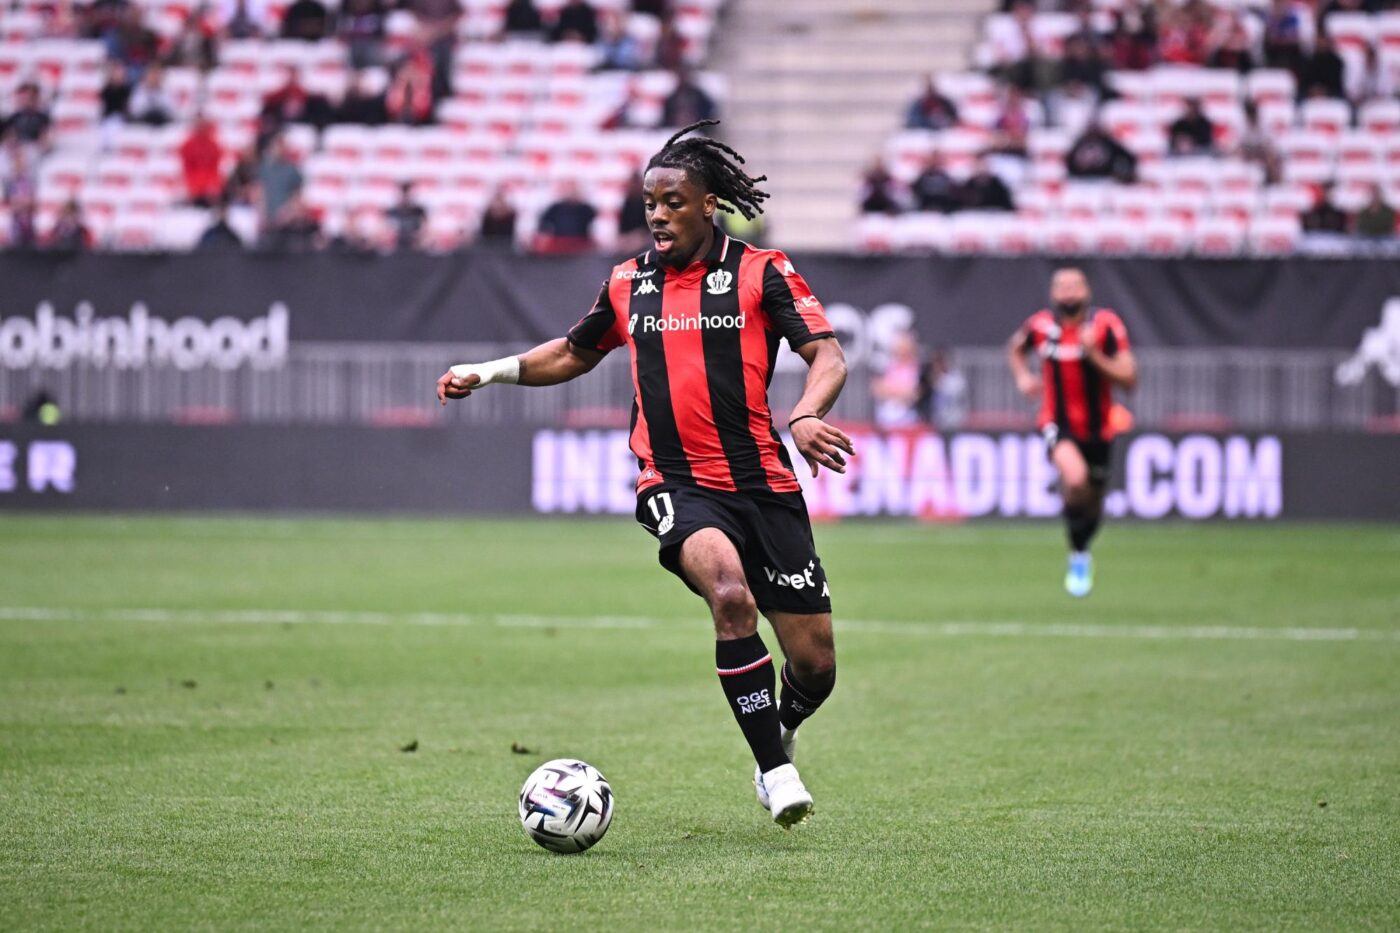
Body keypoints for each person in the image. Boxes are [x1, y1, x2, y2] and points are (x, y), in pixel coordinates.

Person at [437, 119, 850, 827]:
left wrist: (807, 413)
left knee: (816, 666)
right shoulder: (629, 282)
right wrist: (491, 371)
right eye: (649, 203)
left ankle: (778, 729)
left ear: (710, 204)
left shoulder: (762, 272)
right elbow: (575, 351)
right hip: (676, 482)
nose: (657, 215)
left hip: (764, 485)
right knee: (729, 595)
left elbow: (828, 355)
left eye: (672, 202)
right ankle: (776, 771)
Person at [1007, 268, 1137, 597]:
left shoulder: (1106, 325)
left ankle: (1080, 550)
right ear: (1053, 294)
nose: (1068, 292)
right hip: (1056, 421)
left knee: (1092, 499)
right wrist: (1023, 377)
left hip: (1099, 428)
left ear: (1087, 291)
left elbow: (1129, 379)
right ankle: (1077, 549)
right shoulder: (1040, 326)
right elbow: (1016, 348)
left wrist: (1093, 355)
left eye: (1074, 286)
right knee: (1076, 478)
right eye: (1061, 286)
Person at [872, 331, 922, 429]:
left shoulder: (918, 368)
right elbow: (877, 389)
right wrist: (900, 391)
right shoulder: (888, 365)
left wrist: (890, 390)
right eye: (899, 348)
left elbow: (913, 394)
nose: (901, 351)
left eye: (904, 348)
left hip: (909, 418)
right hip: (885, 417)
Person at [535, 180, 597, 250]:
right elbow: (544, 223)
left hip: (581, 243)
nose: (571, 193)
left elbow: (595, 225)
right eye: (569, 190)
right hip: (559, 242)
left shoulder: (586, 209)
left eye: (573, 190)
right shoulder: (556, 208)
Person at [1066, 122, 1136, 182]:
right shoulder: (1081, 142)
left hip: (1105, 180)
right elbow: (1070, 161)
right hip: (1081, 180)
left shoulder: (1108, 142)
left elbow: (1128, 157)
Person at [179, 116, 224, 206]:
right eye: (199, 127)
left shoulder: (213, 144)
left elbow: (216, 166)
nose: (201, 129)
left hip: (210, 178)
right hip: (193, 179)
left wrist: (212, 185)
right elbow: (187, 167)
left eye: (203, 127)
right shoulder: (188, 145)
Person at [385, 182, 426, 250]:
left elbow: (425, 229)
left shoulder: (419, 211)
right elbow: (386, 230)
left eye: (408, 194)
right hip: (395, 245)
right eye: (404, 194)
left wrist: (418, 237)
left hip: (415, 245)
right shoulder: (392, 212)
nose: (406, 197)